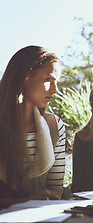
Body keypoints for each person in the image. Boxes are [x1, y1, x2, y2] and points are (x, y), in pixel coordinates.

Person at [0, 46, 65, 208]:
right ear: (25, 76)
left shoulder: (55, 126)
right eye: (49, 80)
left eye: (57, 82)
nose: (55, 89)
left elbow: (55, 191)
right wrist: (26, 202)